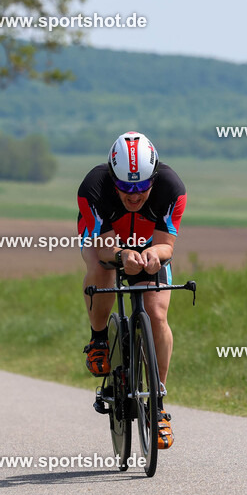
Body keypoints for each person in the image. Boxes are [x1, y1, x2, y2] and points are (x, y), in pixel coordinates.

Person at [77, 131, 186, 449]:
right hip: (108, 241)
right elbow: (105, 248)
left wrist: (154, 254)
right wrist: (124, 255)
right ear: (112, 179)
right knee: (100, 269)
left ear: (155, 177)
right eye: (125, 186)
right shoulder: (93, 187)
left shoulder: (172, 187)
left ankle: (158, 405)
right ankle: (98, 339)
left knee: (155, 313)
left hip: (150, 242)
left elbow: (167, 246)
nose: (134, 194)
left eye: (141, 186)